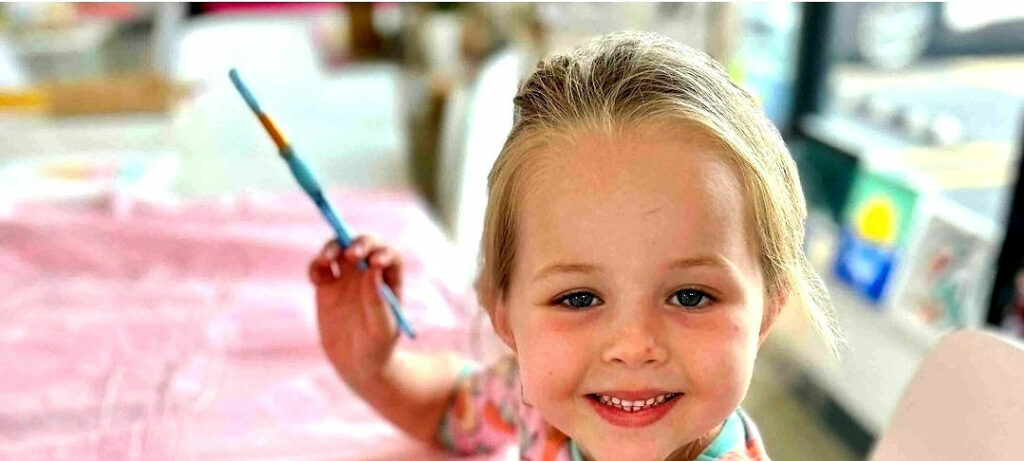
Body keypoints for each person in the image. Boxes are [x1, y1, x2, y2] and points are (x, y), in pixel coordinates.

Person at [309, 31, 841, 461]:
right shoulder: (538, 401)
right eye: (579, 299)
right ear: (505, 315)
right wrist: (372, 366)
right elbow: (453, 410)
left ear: (768, 307)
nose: (633, 346)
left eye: (691, 296)